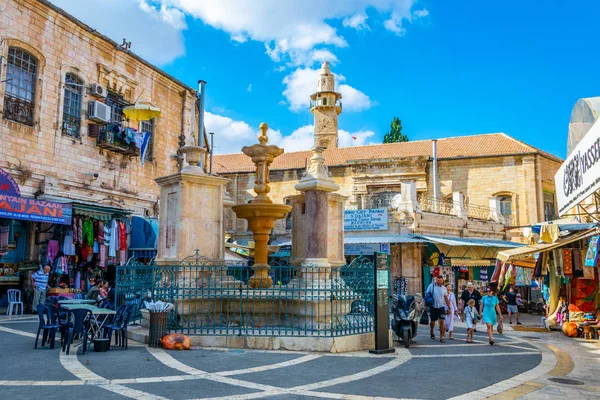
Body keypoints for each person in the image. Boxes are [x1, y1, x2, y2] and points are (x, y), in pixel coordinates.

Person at [426, 275, 451, 343]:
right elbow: (427, 295)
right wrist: (425, 305)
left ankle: (441, 337)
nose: (439, 282)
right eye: (438, 280)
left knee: (442, 322)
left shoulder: (444, 288)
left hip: (441, 307)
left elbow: (446, 298)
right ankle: (432, 331)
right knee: (432, 322)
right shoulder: (431, 286)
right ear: (436, 280)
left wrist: (449, 307)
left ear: (442, 281)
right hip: (433, 306)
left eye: (440, 280)